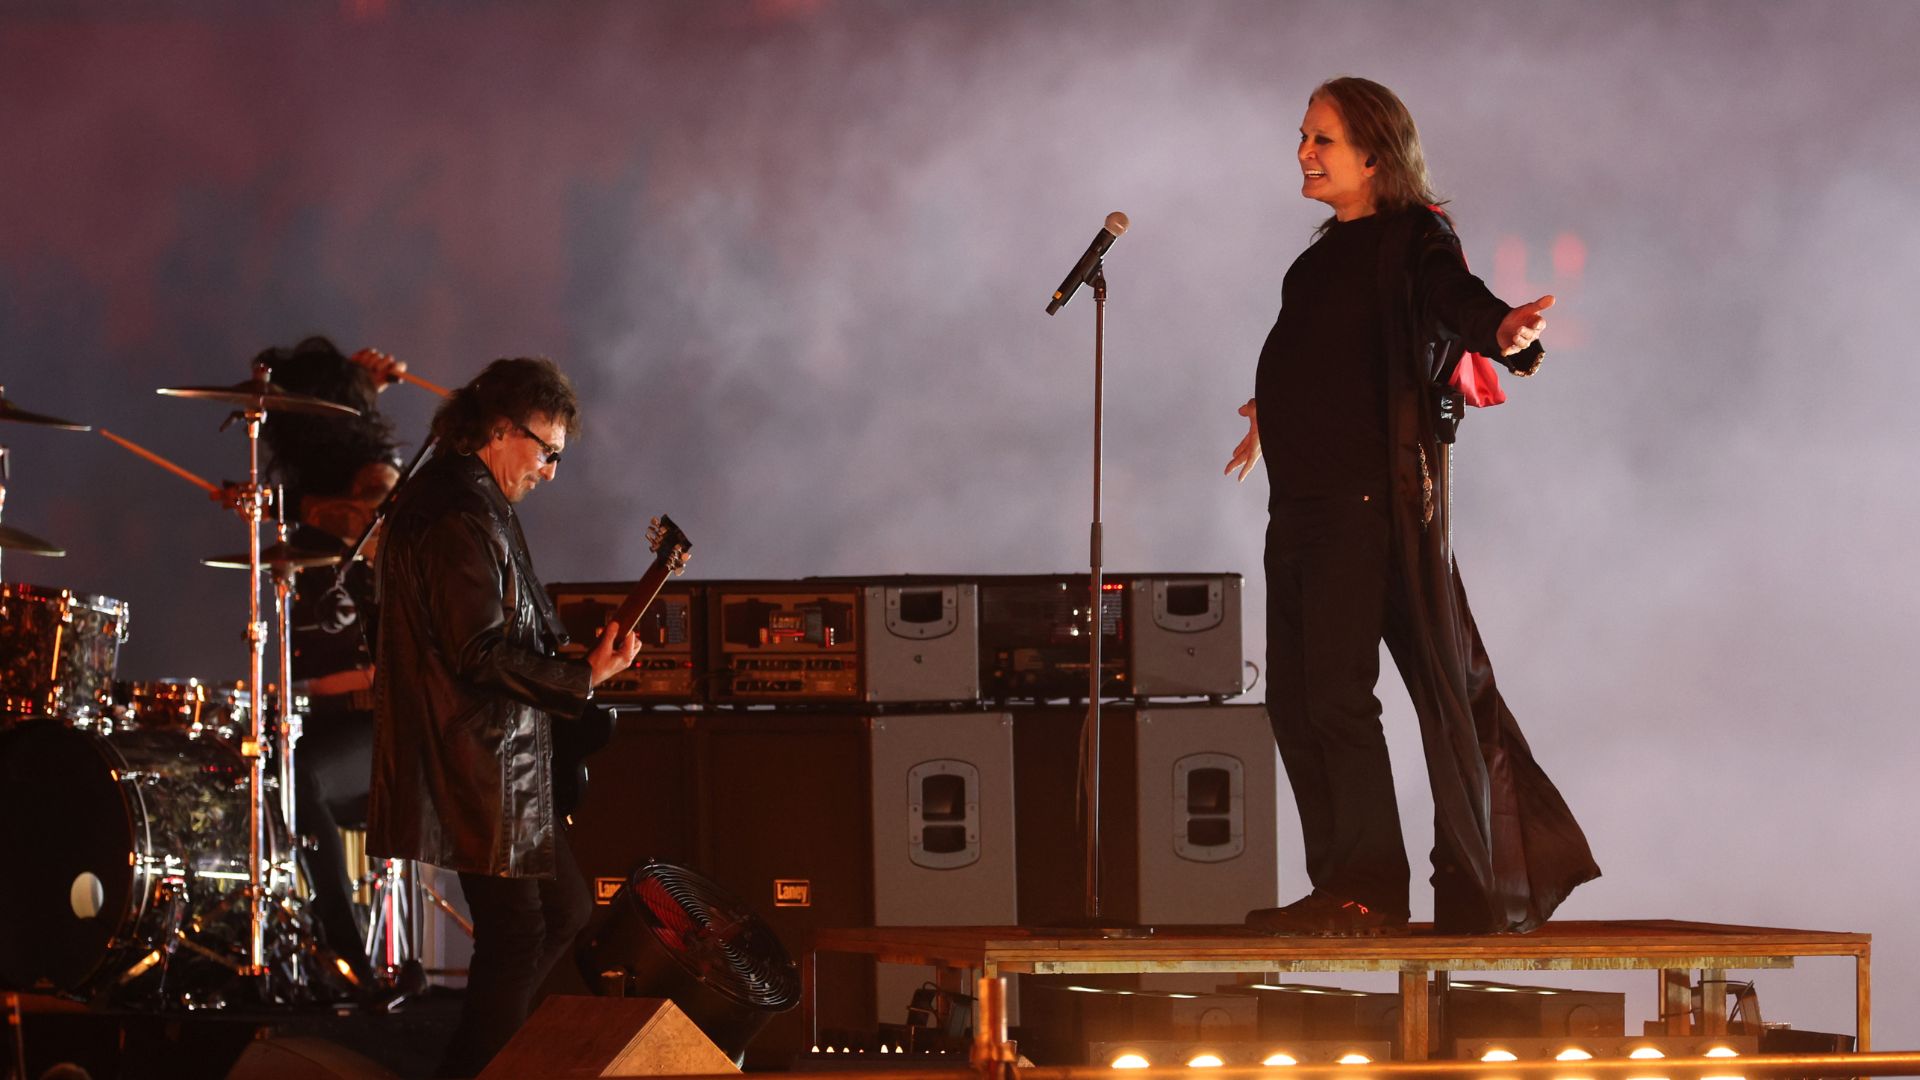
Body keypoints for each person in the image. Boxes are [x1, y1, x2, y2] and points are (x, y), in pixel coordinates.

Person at [1223, 77, 1599, 936]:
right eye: (1304, 137)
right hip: (1304, 507)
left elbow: (1451, 300)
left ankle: (1367, 892)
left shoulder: (1414, 237)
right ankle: (1345, 887)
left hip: (1365, 507)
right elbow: (1324, 358)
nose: (1304, 154)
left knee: (1339, 698)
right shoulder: (1317, 260)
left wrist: (1502, 329)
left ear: (1375, 156)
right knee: (1295, 699)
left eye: (1322, 140)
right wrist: (1270, 413)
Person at [366, 357, 641, 1077]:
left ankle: (492, 1058)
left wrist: (575, 663)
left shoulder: (474, 501)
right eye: (546, 451)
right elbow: (477, 652)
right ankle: (479, 1067)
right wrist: (582, 676)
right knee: (520, 932)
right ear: (498, 428)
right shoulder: (456, 511)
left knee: (565, 911)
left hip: (500, 761)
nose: (550, 471)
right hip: (476, 763)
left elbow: (496, 637)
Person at [258, 335, 406, 995]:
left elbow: (374, 511)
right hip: (322, 710)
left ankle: (352, 959)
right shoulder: (302, 501)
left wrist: (366, 398)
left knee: (299, 778)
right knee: (263, 766)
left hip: (380, 720)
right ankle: (286, 944)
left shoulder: (375, 483)